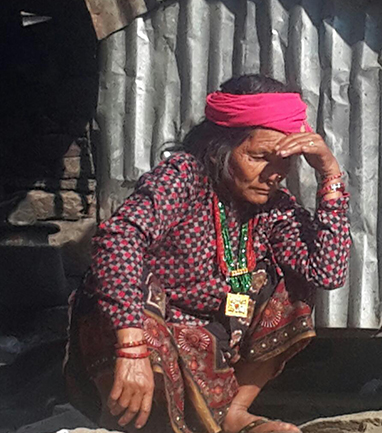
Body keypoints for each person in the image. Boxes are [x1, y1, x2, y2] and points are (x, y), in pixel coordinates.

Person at [64, 75, 351, 433]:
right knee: (140, 318)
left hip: (216, 336)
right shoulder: (184, 177)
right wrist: (131, 346)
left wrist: (329, 175)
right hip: (146, 335)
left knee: (296, 289)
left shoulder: (272, 207)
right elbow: (119, 237)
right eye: (259, 157)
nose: (274, 175)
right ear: (219, 149)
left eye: (284, 161)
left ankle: (233, 411)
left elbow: (326, 272)